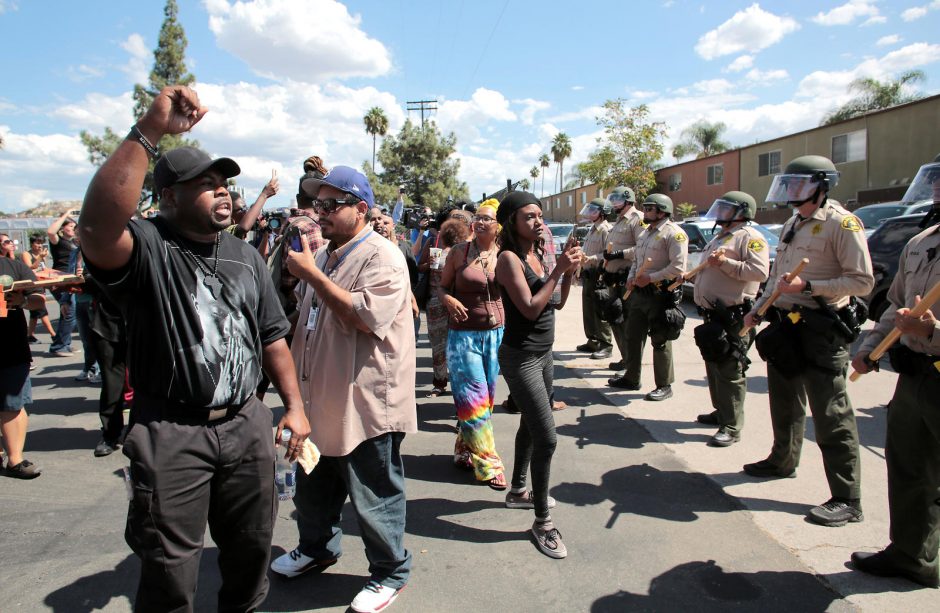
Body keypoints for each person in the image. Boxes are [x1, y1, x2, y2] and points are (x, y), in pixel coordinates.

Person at [78, 85, 310, 611]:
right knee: (170, 575)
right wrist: (151, 129)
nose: (223, 192)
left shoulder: (244, 256)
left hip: (247, 424)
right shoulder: (149, 248)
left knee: (251, 556)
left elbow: (272, 335)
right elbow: (96, 227)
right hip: (171, 430)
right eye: (204, 185)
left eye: (224, 183)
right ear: (171, 198)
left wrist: (294, 406)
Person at [273, 165, 416, 613]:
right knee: (313, 487)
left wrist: (311, 275)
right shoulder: (331, 255)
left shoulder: (382, 256)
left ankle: (390, 572)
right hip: (320, 399)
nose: (322, 214)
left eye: (333, 205)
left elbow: (362, 317)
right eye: (319, 204)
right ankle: (317, 549)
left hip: (366, 403)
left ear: (362, 209)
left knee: (374, 493)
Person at [742, 155, 873, 527]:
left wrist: (811, 286)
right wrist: (759, 308)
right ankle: (782, 460)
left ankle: (847, 498)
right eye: (789, 185)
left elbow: (862, 281)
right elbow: (777, 274)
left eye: (798, 185)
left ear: (821, 184)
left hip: (821, 327)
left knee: (831, 413)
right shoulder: (792, 222)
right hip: (787, 325)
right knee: (784, 401)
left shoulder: (842, 224)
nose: (791, 192)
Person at [849, 155, 940, 588]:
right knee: (908, 467)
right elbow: (893, 306)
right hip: (916, 375)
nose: (938, 192)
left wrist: (933, 329)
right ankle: (911, 555)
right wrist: (868, 349)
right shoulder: (922, 241)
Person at [494, 191, 583, 559]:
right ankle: (542, 522)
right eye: (529, 216)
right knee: (547, 439)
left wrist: (568, 273)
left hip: (545, 354)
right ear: (512, 220)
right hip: (522, 358)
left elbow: (555, 303)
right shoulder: (508, 259)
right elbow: (530, 309)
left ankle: (518, 491)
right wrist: (559, 269)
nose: (538, 221)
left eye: (540, 215)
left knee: (531, 426)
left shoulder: (537, 254)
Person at [691, 192, 770, 446]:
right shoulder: (720, 236)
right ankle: (720, 411)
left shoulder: (750, 237)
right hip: (712, 313)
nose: (720, 212)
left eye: (726, 209)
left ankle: (732, 425)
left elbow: (759, 272)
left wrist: (725, 262)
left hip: (732, 315)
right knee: (714, 364)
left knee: (730, 369)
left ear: (741, 212)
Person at [439, 200, 506, 488]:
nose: (479, 222)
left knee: (485, 399)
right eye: (477, 217)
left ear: (498, 226)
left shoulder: (505, 255)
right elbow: (442, 287)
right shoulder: (458, 253)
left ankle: (465, 448)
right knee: (473, 398)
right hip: (463, 336)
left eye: (487, 219)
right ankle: (488, 464)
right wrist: (448, 299)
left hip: (496, 335)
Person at [615, 194, 688, 400]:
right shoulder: (645, 234)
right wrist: (631, 277)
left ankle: (664, 385)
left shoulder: (674, 234)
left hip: (660, 294)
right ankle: (631, 377)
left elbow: (677, 267)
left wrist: (651, 277)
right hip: (639, 293)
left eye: (649, 209)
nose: (645, 212)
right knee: (632, 335)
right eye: (645, 208)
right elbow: (637, 261)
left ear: (662, 211)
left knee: (660, 339)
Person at [1, 232, 45, 478]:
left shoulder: (14, 266)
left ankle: (15, 459)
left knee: (13, 405)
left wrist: (22, 301)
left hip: (11, 347)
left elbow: (38, 299)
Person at [422, 213, 471, 397]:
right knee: (438, 346)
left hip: (459, 304)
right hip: (435, 304)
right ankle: (439, 382)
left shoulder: (466, 250)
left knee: (460, 348)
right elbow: (420, 267)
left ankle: (461, 387)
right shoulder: (434, 244)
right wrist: (430, 264)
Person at [602, 186, 645, 376]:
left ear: (628, 201)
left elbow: (642, 248)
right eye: (613, 200)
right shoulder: (619, 221)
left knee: (627, 322)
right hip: (614, 279)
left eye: (618, 200)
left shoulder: (638, 219)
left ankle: (631, 364)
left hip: (626, 279)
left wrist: (620, 254)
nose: (614, 204)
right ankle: (626, 357)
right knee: (615, 318)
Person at [575, 198, 613, 360]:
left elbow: (608, 253)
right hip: (589, 274)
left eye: (594, 210)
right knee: (589, 308)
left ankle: (605, 344)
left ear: (603, 213)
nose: (590, 213)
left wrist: (591, 258)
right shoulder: (592, 229)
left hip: (600, 274)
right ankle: (592, 340)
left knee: (600, 309)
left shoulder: (606, 230)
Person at [47, 208, 80, 356]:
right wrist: (65, 215)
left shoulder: (73, 242)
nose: (73, 228)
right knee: (69, 310)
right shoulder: (58, 241)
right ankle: (60, 345)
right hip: (59, 281)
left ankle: (61, 344)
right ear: (62, 228)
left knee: (67, 312)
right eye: (70, 226)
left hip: (69, 280)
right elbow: (50, 232)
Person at [20, 236, 56, 342]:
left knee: (35, 313)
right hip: (32, 286)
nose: (39, 246)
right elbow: (30, 268)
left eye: (41, 243)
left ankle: (30, 335)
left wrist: (50, 282)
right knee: (41, 310)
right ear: (31, 244)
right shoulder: (26, 254)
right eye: (37, 243)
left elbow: (43, 270)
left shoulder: (42, 255)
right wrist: (40, 257)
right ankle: (54, 335)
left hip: (41, 284)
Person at [226, 171, 279, 239]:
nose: (247, 212)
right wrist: (264, 194)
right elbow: (243, 227)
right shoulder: (223, 233)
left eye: (246, 207)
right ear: (229, 214)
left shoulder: (244, 235)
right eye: (242, 209)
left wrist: (265, 235)